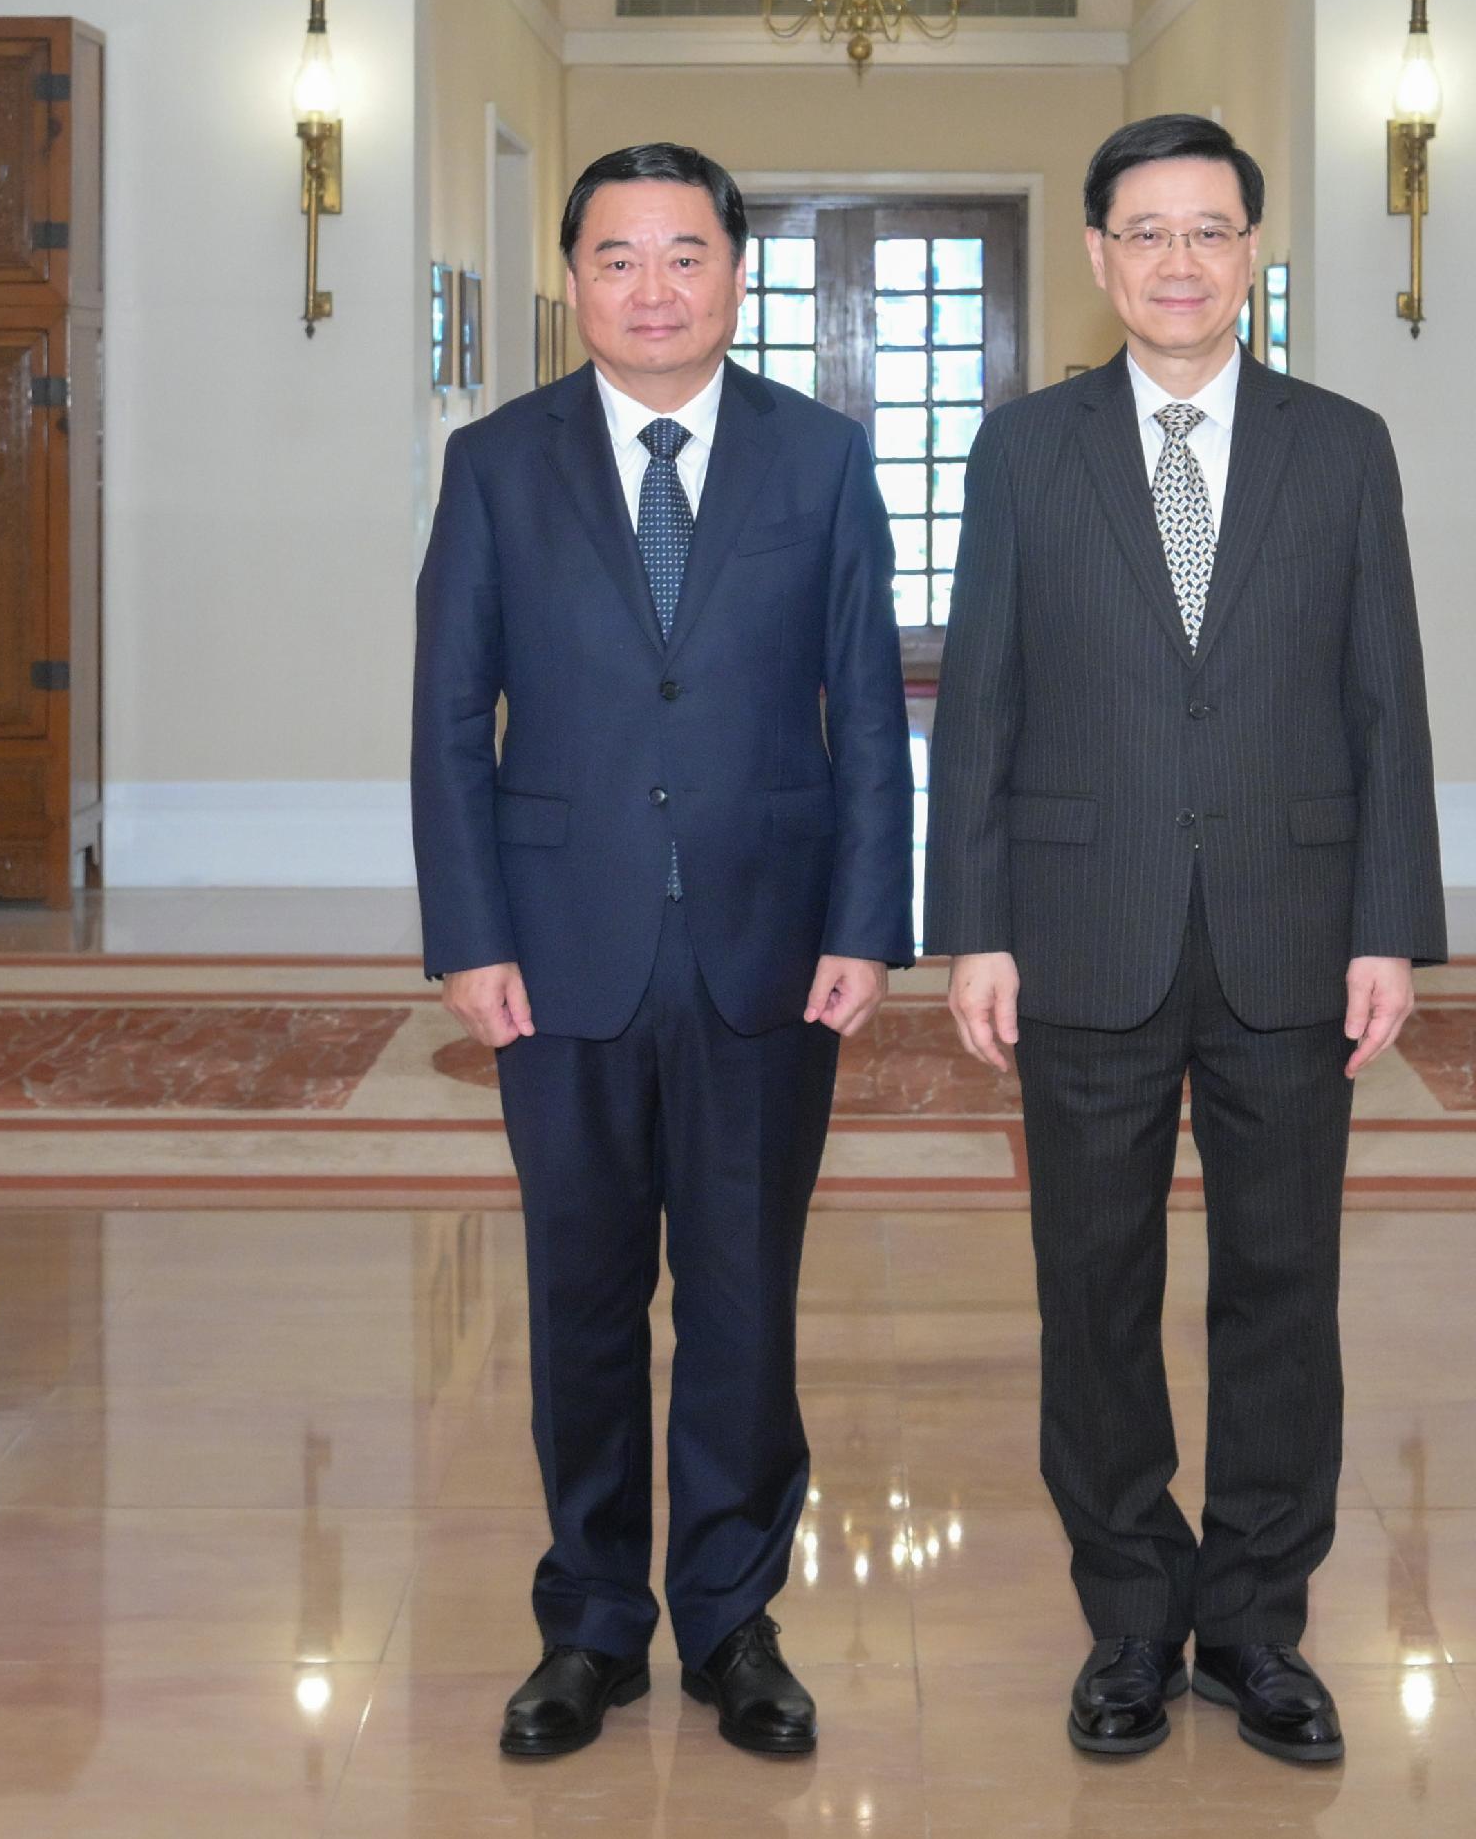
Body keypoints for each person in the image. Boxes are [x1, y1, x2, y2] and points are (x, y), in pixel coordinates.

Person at [926, 113, 1444, 1767]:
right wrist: (974, 928)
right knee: (1094, 1286)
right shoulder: (1025, 448)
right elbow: (981, 696)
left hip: (1295, 933)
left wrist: (1391, 927)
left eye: (1208, 230)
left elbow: (1388, 701)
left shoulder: (1342, 444)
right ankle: (1132, 1618)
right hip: (1082, 931)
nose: (1176, 260)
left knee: (1284, 1287)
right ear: (1097, 256)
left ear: (1251, 255)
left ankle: (1258, 1625)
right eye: (1144, 231)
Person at [412, 140, 912, 1763]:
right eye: (617, 258)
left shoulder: (822, 457)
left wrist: (867, 921)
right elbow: (445, 725)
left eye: (684, 255)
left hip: (772, 949)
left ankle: (733, 1618)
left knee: (747, 1298)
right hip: (557, 954)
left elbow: (869, 713)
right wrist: (469, 936)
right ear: (574, 283)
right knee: (580, 1296)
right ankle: (591, 1624)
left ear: (734, 274)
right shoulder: (495, 463)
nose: (652, 287)